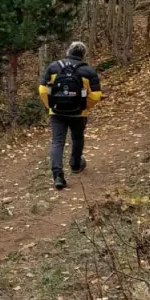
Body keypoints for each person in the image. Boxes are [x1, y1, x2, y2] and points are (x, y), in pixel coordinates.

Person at [38, 42, 104, 190]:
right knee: (77, 137)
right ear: (83, 54)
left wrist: (50, 105)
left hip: (56, 112)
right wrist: (85, 106)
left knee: (57, 141)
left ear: (68, 51)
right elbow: (96, 95)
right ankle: (75, 164)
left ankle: (58, 176)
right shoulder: (88, 71)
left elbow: (42, 89)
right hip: (79, 113)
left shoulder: (53, 67)